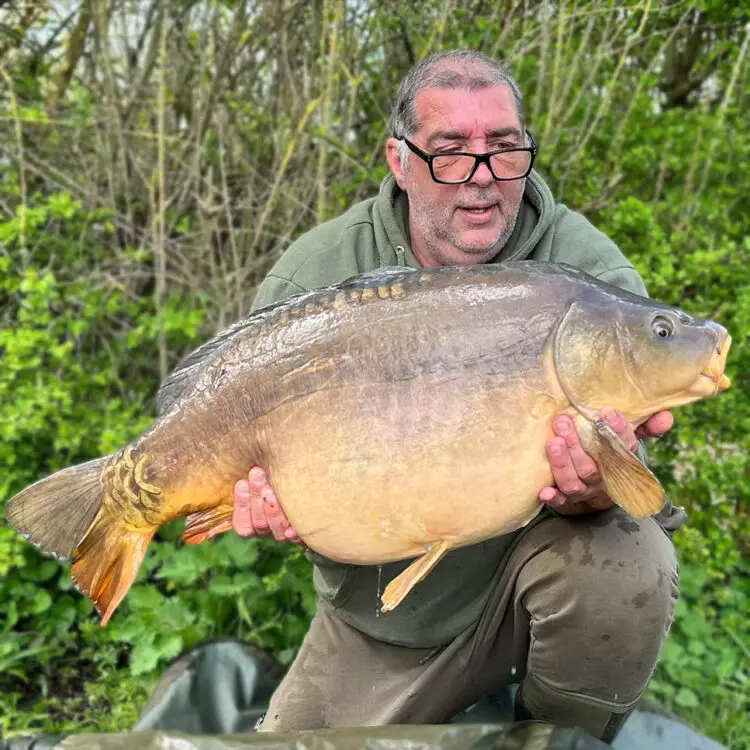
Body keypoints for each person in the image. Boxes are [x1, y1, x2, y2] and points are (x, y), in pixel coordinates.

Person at [227, 50, 683, 744]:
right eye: (449, 153)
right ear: (399, 160)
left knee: (628, 562)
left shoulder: (587, 276)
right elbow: (253, 455)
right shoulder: (316, 277)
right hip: (383, 621)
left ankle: (559, 730)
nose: (481, 180)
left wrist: (596, 485)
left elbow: (624, 474)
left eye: (504, 150)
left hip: (529, 583)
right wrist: (263, 498)